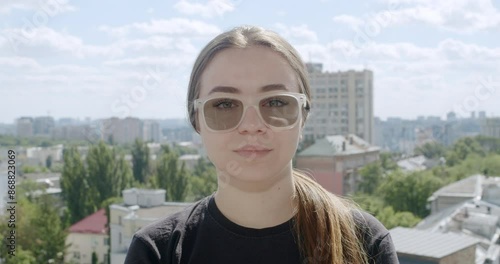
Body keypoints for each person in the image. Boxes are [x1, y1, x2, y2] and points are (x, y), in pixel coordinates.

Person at [124, 25, 399, 264]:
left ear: (303, 117)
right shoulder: (158, 252)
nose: (251, 124)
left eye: (276, 102)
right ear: (196, 120)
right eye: (225, 104)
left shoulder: (364, 243)